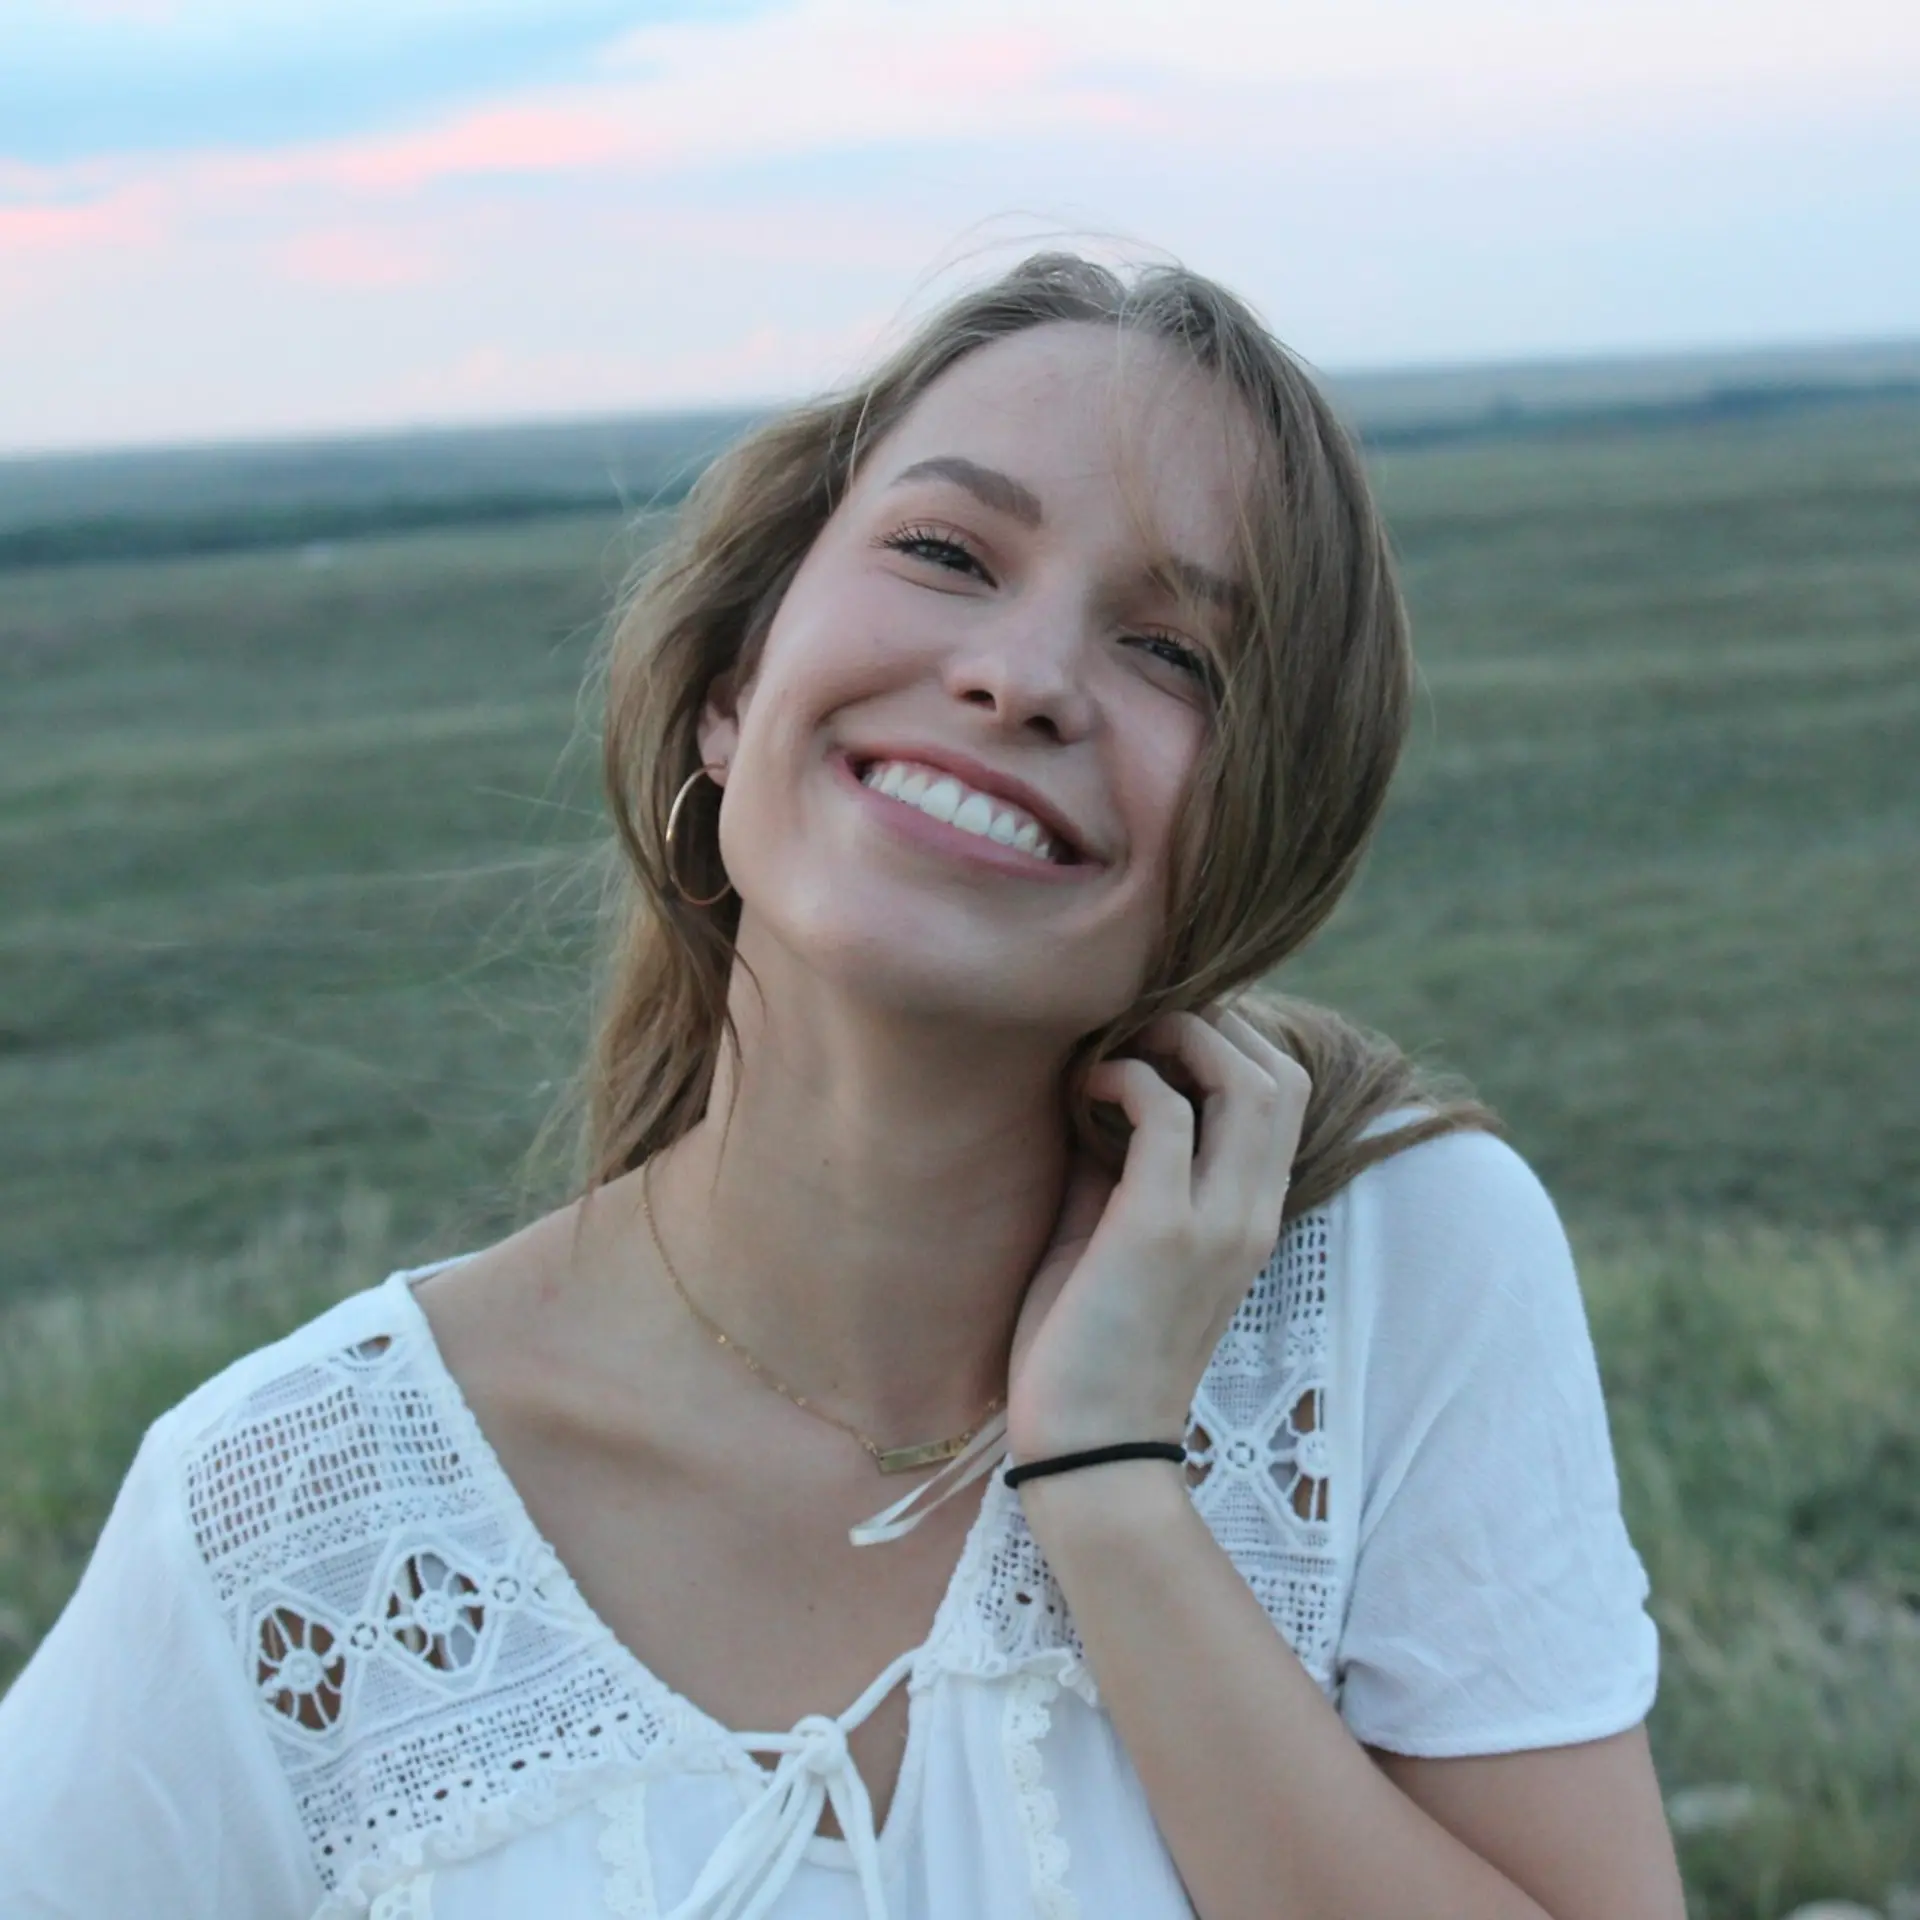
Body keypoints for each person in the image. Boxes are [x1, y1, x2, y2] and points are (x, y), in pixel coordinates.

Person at [0, 253, 1685, 1919]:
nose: (1023, 676)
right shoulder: (287, 1512)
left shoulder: (1387, 1267)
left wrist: (1109, 1486)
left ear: (1259, 845)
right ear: (733, 687)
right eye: (948, 552)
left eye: (1178, 656)